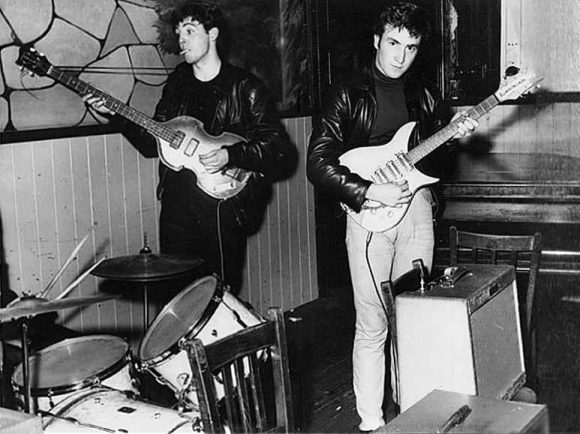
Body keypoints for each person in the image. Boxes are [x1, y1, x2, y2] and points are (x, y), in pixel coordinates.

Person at [307, 2, 477, 431]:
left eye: (412, 47)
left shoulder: (422, 95)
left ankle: (412, 414)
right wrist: (367, 191)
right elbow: (318, 162)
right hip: (368, 217)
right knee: (373, 323)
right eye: (394, 43)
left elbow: (437, 164)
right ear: (378, 40)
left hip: (416, 211)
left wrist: (456, 137)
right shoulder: (347, 91)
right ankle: (370, 421)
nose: (401, 56)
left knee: (413, 315)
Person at [84, 2, 296, 294]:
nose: (181, 39)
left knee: (220, 295)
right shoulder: (177, 83)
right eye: (178, 32)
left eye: (190, 30)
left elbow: (279, 151)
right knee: (178, 299)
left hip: (223, 209)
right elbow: (152, 142)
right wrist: (115, 117)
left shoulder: (245, 87)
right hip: (176, 208)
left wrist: (231, 155)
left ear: (213, 34)